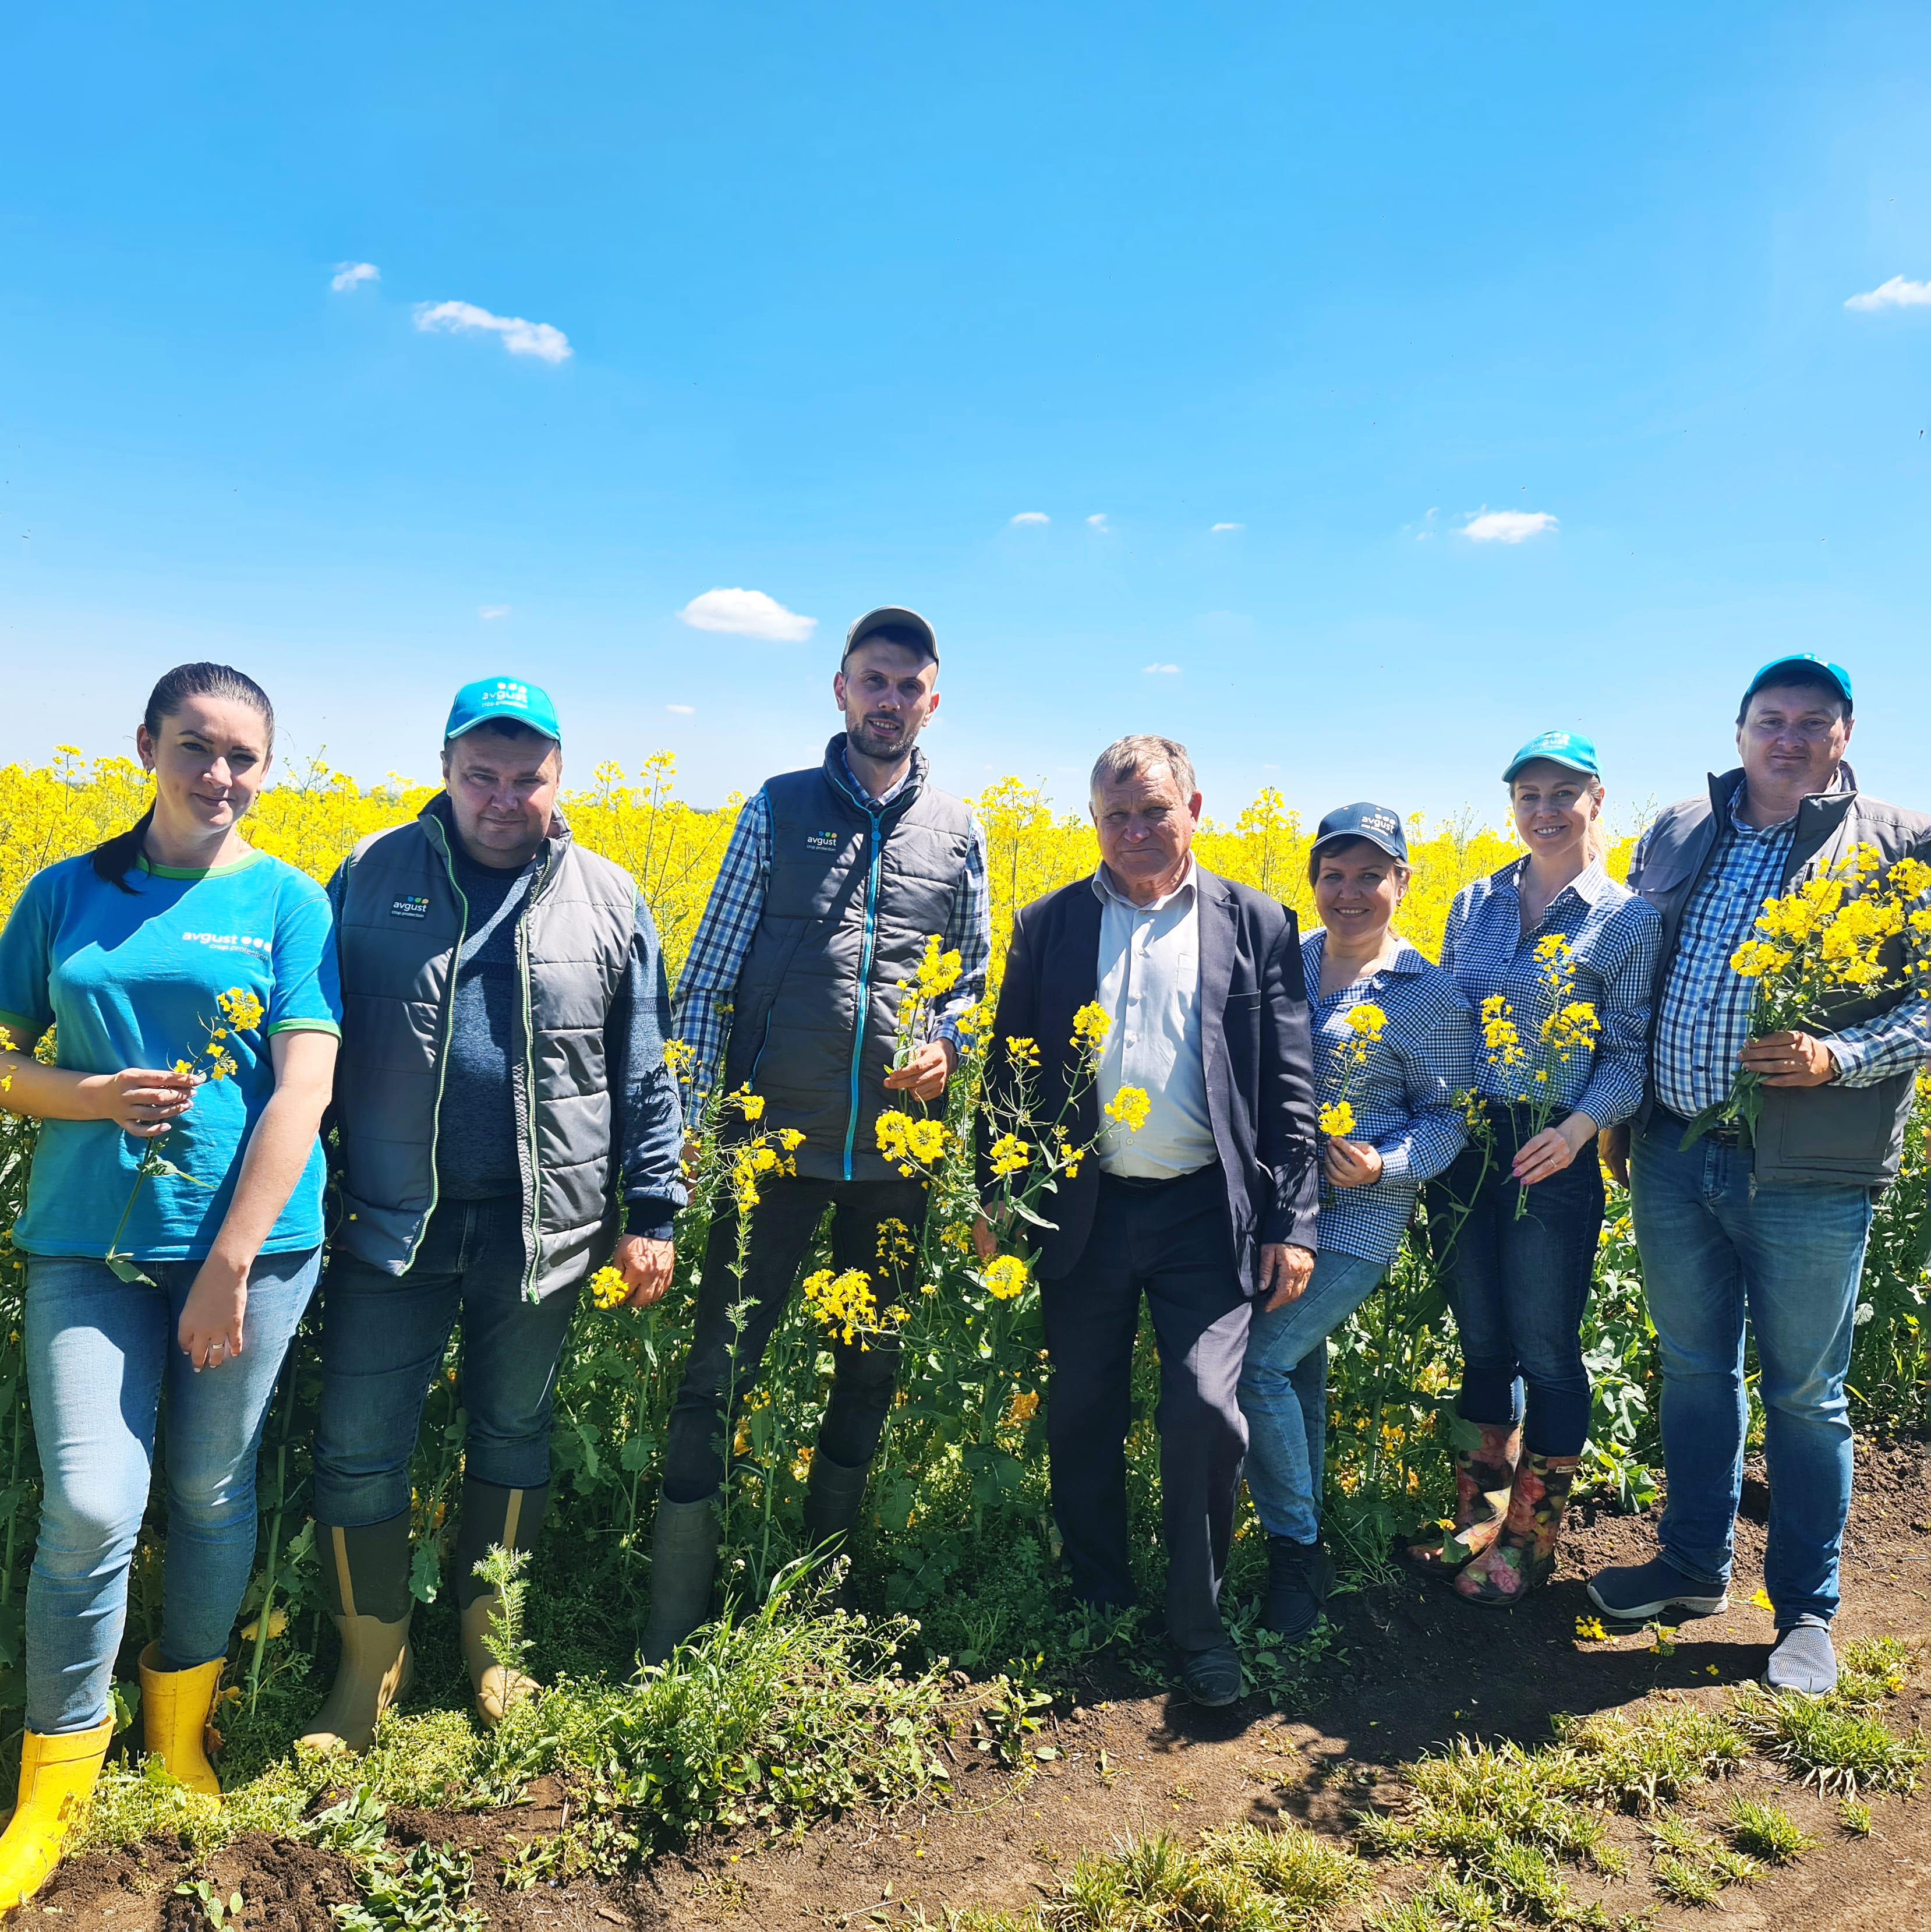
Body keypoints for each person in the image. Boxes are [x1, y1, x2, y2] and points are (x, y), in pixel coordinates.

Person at [0, 665, 340, 1908]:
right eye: (197, 748)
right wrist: (90, 1099)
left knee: (206, 1490)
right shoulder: (66, 893)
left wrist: (233, 1264)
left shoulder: (288, 903)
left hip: (250, 1254)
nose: (220, 776)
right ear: (146, 745)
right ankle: (54, 1782)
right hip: (87, 1245)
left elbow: (303, 1087)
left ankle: (179, 1732)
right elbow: (1, 1056)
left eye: (245, 756)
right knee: (93, 1503)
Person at [304, 676, 684, 1748]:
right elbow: (307, 1049)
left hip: (544, 1227)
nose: (505, 797)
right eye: (484, 775)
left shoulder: (611, 897)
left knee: (512, 1433)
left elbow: (645, 1071)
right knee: (357, 1445)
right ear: (447, 769)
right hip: (391, 1221)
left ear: (560, 781)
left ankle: (493, 1648)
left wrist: (652, 1209)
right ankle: (369, 1662)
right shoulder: (369, 876)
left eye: (529, 778)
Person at [643, 607, 989, 1662]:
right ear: (838, 688)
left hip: (895, 1158)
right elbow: (706, 975)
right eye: (872, 679)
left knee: (868, 1365)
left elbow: (969, 981)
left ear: (934, 701)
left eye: (909, 685)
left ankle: (819, 1596)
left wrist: (948, 1042)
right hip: (774, 1151)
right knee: (719, 1363)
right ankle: (673, 1618)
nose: (889, 700)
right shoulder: (780, 809)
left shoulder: (960, 831)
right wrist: (700, 1123)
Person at [1589, 656, 1931, 1694]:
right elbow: (1642, 971)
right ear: (1740, 731)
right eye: (1770, 719)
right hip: (1675, 1147)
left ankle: (1806, 1614)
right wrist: (1623, 1104)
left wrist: (1841, 1056)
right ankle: (1693, 1564)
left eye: (1810, 721)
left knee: (1806, 1391)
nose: (1788, 736)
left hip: (1808, 1166)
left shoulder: (1900, 843)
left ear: (1845, 732)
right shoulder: (1681, 828)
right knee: (1693, 1367)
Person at [975, 734, 1321, 1707]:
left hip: (1202, 1212)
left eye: (1154, 810)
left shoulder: (1254, 921)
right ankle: (1099, 1592)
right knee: (1082, 1405)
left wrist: (1291, 1219)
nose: (1135, 830)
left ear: (1195, 807)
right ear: (1094, 821)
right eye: (1116, 814)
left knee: (1206, 1410)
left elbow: (1292, 1085)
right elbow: (1009, 1068)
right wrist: (998, 1194)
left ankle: (1196, 1622)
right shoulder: (1048, 923)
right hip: (1080, 1205)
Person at [1417, 731, 1660, 1607]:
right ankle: (1477, 1518)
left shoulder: (1627, 918)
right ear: (1511, 805)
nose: (1546, 810)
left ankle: (1532, 1539)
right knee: (1481, 1338)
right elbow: (1443, 1021)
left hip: (1550, 1150)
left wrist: (1581, 1129)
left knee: (1547, 1348)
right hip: (1466, 1146)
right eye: (1530, 795)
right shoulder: (1474, 901)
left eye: (1565, 793)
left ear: (1598, 798)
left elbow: (1629, 1053)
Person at [1237, 804, 1473, 1639]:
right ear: (1314, 882)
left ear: (1402, 883)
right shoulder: (1286, 960)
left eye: (1370, 874)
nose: (1350, 891)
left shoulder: (1430, 993)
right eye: (1334, 875)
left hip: (1356, 1221)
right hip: (1272, 1213)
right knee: (1294, 1370)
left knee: (1257, 1362)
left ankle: (1297, 1553)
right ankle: (1300, 1538)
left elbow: (1447, 1117)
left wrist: (1385, 1161)